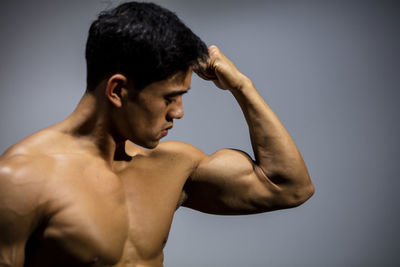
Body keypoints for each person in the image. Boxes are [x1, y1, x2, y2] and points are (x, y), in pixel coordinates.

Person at [0, 2, 314, 266]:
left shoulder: (172, 167)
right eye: (169, 97)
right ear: (118, 90)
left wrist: (242, 86)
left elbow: (289, 187)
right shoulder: (22, 179)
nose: (178, 112)